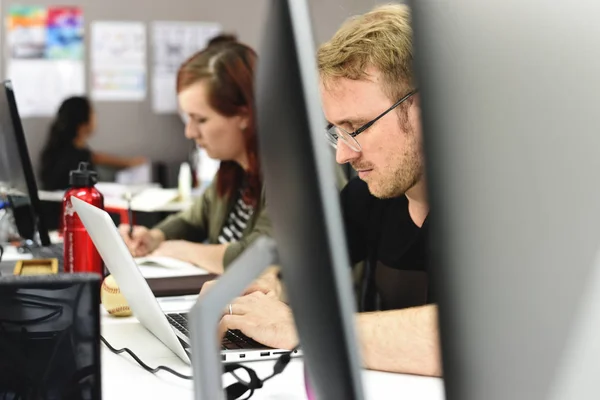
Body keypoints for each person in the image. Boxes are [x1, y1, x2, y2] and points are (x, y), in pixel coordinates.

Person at [214, 4, 441, 376]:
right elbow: (306, 264)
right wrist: (261, 291)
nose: (343, 154)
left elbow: (478, 335)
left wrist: (302, 329)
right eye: (337, 130)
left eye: (357, 127)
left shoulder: (491, 203)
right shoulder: (369, 195)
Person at [119, 43, 272, 275]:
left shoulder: (289, 175)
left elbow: (258, 257)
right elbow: (193, 219)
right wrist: (154, 237)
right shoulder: (233, 168)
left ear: (244, 115)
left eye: (200, 119)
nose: (189, 132)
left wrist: (179, 250)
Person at [39, 96, 147, 190]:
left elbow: (97, 157)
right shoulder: (78, 159)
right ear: (82, 123)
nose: (95, 117)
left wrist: (129, 162)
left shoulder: (61, 150)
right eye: (92, 113)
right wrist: (129, 162)